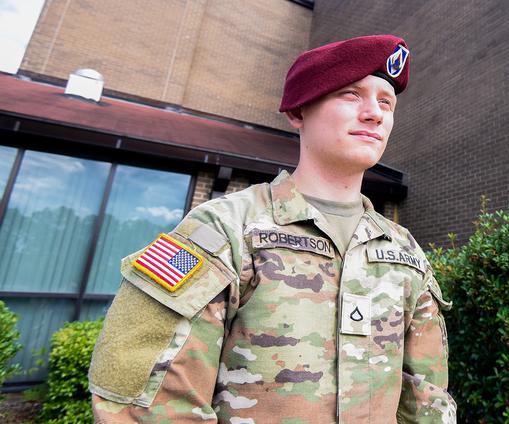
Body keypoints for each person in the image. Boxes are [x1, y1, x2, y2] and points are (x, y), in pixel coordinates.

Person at [89, 35, 455, 423]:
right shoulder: (222, 229)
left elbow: (427, 398)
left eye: (386, 102)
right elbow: (147, 404)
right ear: (298, 112)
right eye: (351, 95)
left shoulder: (403, 249)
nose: (374, 114)